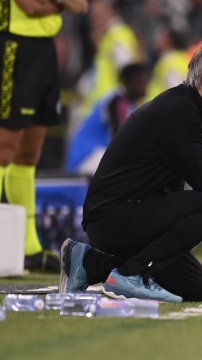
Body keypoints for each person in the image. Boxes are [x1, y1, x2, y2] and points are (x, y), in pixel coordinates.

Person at [58, 41, 202, 303]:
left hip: (136, 212)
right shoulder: (180, 111)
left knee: (197, 289)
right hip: (114, 216)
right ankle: (128, 275)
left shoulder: (200, 112)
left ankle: (89, 263)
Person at [0, 0, 88, 272]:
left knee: (28, 155)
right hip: (14, 45)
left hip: (45, 49)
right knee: (4, 148)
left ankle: (28, 248)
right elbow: (30, 6)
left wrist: (53, 5)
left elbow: (80, 6)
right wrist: (60, 5)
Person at [66, 63, 148, 176]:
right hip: (86, 156)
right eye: (141, 81)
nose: (145, 85)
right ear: (129, 82)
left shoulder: (128, 103)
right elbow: (119, 138)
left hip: (94, 154)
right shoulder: (119, 101)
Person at [77, 0, 139, 117]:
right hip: (102, 112)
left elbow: (129, 73)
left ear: (110, 10)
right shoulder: (107, 38)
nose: (92, 17)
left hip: (110, 113)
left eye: (96, 13)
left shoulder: (118, 34)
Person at [143, 27, 189, 103]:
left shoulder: (169, 61)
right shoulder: (182, 58)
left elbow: (175, 91)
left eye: (160, 37)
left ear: (168, 40)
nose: (156, 40)